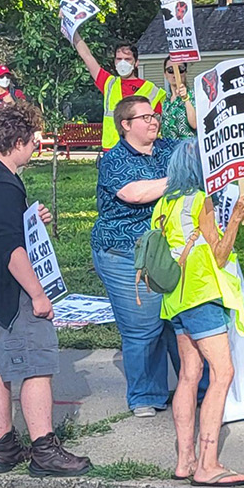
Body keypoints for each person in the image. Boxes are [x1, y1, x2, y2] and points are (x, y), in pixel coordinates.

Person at [0, 100, 91, 477]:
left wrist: (31, 218)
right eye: (33, 140)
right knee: (38, 364)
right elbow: (10, 247)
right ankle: (44, 450)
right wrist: (37, 294)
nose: (36, 146)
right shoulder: (2, 186)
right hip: (8, 290)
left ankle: (3, 449)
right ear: (17, 141)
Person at [151, 140, 244, 486]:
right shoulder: (200, 200)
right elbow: (220, 255)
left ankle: (185, 461)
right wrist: (236, 218)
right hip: (200, 293)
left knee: (188, 375)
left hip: (174, 298)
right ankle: (208, 465)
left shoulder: (164, 203)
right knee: (223, 373)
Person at [91, 95, 182, 417]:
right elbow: (135, 193)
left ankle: (196, 389)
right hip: (123, 253)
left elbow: (200, 153)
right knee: (143, 326)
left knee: (177, 320)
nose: (153, 120)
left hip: (166, 250)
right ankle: (145, 395)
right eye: (144, 117)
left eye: (154, 115)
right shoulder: (114, 159)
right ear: (125, 125)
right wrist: (180, 178)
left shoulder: (169, 149)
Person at [72, 37, 165, 151]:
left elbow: (157, 125)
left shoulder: (151, 90)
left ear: (136, 63)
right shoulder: (109, 83)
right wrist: (74, 34)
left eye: (127, 59)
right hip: (111, 149)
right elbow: (87, 57)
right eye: (119, 59)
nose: (122, 63)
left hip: (139, 150)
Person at [159, 57, 199, 141]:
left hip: (187, 146)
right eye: (170, 70)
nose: (175, 74)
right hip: (168, 147)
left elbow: (195, 124)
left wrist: (186, 99)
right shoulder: (165, 101)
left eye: (180, 69)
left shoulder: (194, 95)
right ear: (165, 74)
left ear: (185, 72)